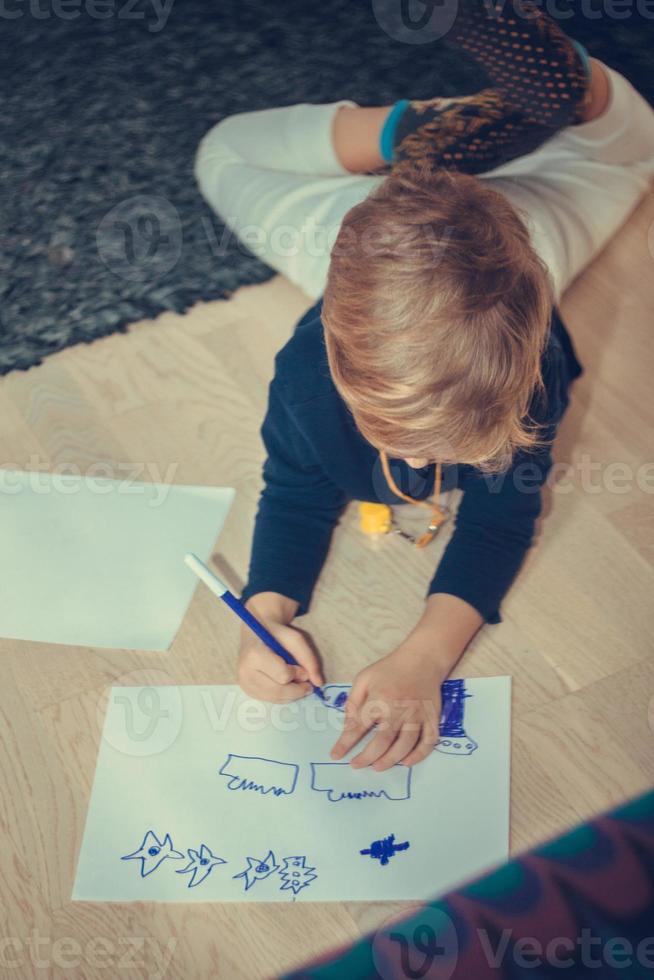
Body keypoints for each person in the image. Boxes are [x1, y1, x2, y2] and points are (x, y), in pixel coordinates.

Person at [194, 1, 654, 771]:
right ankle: (445, 129)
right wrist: (263, 611)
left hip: (518, 234)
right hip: (363, 234)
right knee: (219, 154)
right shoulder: (305, 376)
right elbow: (295, 489)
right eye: (399, 436)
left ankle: (470, 129)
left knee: (633, 156)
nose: (421, 458)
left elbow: (503, 523)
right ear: (339, 362)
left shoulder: (534, 361)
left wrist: (426, 656)